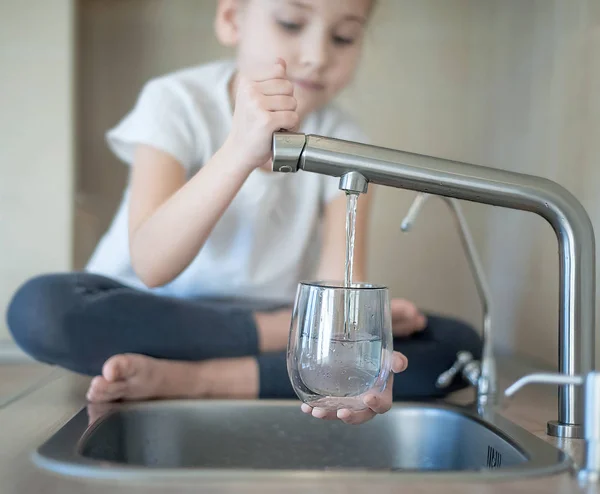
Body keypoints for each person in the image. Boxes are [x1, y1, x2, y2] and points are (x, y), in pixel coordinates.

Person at [6, 0, 481, 425]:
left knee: (457, 346)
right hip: (152, 314)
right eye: (292, 23)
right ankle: (261, 348)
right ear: (232, 18)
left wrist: (352, 356)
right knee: (41, 308)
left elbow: (341, 289)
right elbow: (152, 266)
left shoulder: (346, 139)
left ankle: (192, 379)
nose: (317, 55)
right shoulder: (176, 102)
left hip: (268, 321)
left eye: (343, 36)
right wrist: (238, 151)